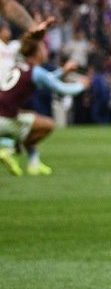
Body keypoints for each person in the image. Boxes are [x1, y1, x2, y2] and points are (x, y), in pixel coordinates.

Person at [0, 18, 85, 176]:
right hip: (5, 117)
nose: (46, 51)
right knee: (46, 125)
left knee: (30, 117)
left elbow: (47, 78)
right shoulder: (35, 71)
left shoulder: (20, 65)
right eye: (44, 48)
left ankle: (33, 163)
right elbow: (61, 89)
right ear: (37, 52)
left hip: (5, 107)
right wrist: (83, 85)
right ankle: (9, 150)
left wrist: (63, 71)